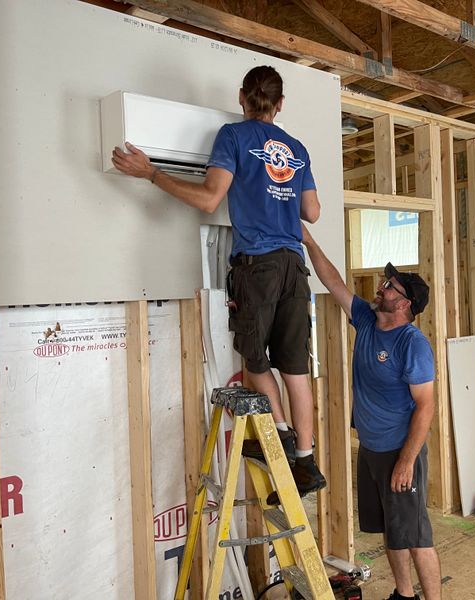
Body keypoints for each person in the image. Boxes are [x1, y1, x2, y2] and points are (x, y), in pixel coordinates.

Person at [111, 66, 325, 497]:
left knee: (253, 358)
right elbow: (313, 213)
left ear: (242, 96)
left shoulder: (233, 136)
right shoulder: (296, 148)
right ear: (280, 104)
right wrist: (278, 197)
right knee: (296, 371)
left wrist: (152, 174)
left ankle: (280, 436)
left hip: (259, 265)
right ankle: (306, 462)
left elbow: (210, 198)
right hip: (293, 267)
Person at [301, 225, 442, 600]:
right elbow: (332, 280)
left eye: (389, 286)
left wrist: (407, 461)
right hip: (371, 449)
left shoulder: (412, 344)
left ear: (405, 302)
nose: (380, 287)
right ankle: (404, 594)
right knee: (391, 530)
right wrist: (310, 240)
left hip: (400, 450)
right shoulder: (366, 319)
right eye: (384, 282)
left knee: (415, 535)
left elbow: (426, 405)